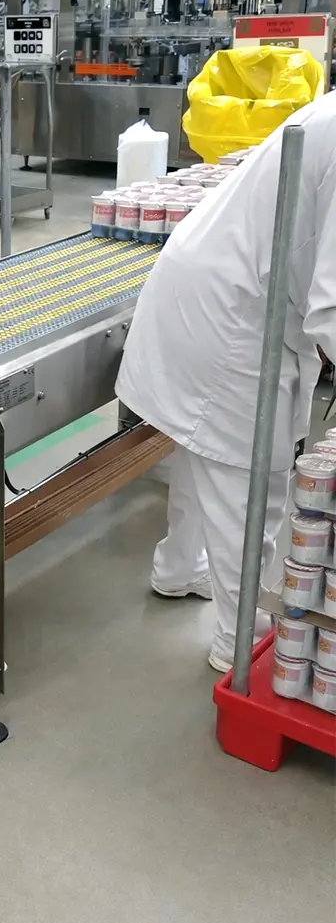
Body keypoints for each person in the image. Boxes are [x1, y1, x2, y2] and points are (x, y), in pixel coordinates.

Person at [116, 90, 336, 671]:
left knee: (202, 455)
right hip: (235, 312)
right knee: (248, 481)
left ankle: (178, 569)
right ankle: (239, 639)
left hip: (210, 282)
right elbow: (332, 306)